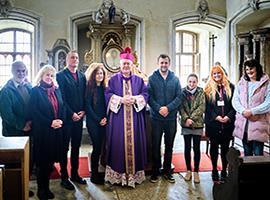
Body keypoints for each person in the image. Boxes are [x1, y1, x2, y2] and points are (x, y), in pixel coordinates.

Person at [105, 47, 148, 188]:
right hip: (118, 119)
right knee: (119, 144)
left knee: (135, 143)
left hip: (135, 118)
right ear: (120, 64)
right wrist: (120, 100)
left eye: (128, 64)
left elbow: (145, 94)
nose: (126, 66)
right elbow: (107, 94)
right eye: (123, 63)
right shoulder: (113, 80)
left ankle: (133, 176)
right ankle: (119, 176)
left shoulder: (139, 80)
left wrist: (135, 99)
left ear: (132, 65)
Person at [29, 65, 65, 200]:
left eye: (52, 75)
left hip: (56, 132)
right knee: (42, 164)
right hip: (43, 132)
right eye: (47, 75)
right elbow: (34, 113)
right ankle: (41, 190)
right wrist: (50, 122)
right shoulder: (35, 91)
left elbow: (62, 105)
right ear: (41, 76)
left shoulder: (57, 90)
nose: (50, 78)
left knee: (50, 164)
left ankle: (47, 187)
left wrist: (61, 120)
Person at [0, 60, 34, 197]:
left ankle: (24, 187)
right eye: (18, 71)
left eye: (24, 70)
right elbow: (6, 115)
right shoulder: (6, 91)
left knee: (27, 160)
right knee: (14, 164)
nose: (21, 73)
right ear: (12, 72)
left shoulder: (29, 86)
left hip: (29, 131)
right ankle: (12, 190)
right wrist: (22, 125)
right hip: (13, 133)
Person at [148, 54, 182, 183]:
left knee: (169, 146)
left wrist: (168, 108)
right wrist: (159, 109)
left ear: (169, 64)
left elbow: (179, 97)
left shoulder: (175, 79)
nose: (164, 65)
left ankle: (167, 170)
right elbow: (149, 97)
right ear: (158, 63)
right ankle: (155, 171)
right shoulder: (152, 78)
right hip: (156, 118)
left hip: (171, 118)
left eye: (166, 63)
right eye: (161, 62)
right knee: (155, 145)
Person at [56, 50, 87, 190]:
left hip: (79, 118)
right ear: (67, 60)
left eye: (76, 57)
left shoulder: (82, 76)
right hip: (67, 117)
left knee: (76, 147)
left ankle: (75, 174)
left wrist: (83, 110)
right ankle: (64, 177)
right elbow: (61, 98)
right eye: (72, 57)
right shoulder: (60, 76)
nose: (74, 59)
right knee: (64, 148)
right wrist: (71, 113)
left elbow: (84, 95)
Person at [204, 65, 235, 182]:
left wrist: (228, 117)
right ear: (212, 76)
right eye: (214, 74)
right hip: (213, 124)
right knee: (214, 148)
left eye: (219, 73)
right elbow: (207, 107)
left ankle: (223, 170)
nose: (217, 76)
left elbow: (234, 105)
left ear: (222, 74)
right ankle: (214, 170)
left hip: (227, 125)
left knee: (225, 149)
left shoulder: (231, 87)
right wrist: (216, 117)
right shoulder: (208, 88)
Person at [232, 59, 270, 156]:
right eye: (247, 69)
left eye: (251, 68)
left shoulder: (266, 83)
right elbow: (235, 100)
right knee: (247, 154)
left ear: (257, 68)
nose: (249, 71)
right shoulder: (241, 83)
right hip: (244, 123)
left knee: (258, 155)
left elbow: (268, 103)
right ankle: (247, 172)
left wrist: (252, 111)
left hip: (258, 122)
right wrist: (243, 111)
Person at [179, 73, 205, 184]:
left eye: (194, 82)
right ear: (187, 82)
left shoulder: (201, 92)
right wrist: (186, 119)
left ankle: (196, 172)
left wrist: (192, 119)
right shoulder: (182, 92)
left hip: (197, 124)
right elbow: (180, 107)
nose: (191, 84)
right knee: (187, 148)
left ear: (197, 82)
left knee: (196, 149)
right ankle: (188, 170)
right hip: (186, 124)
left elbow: (202, 107)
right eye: (190, 81)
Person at [85, 63, 107, 184]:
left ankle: (98, 171)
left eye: (101, 73)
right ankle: (94, 174)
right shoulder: (89, 87)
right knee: (96, 147)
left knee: (101, 148)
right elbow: (88, 107)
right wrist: (99, 119)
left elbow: (106, 105)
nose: (100, 75)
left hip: (103, 121)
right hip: (93, 122)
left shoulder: (104, 88)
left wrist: (105, 118)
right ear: (93, 75)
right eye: (98, 73)